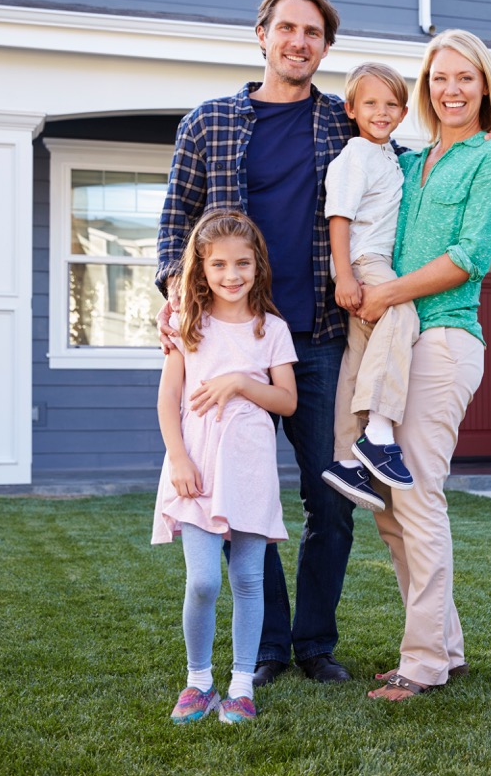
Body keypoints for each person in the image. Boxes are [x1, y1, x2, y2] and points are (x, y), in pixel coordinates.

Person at [155, 0, 360, 686]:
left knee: (329, 494)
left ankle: (314, 642)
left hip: (321, 335)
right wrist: (173, 297)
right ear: (262, 34)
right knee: (245, 494)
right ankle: (267, 644)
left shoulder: (343, 126)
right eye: (287, 29)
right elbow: (174, 225)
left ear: (325, 47)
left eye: (313, 33)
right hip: (231, 339)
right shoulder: (207, 123)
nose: (299, 42)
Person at [351, 30, 491, 701]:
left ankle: (420, 662)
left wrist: (384, 293)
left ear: (484, 86)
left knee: (416, 495)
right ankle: (444, 647)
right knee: (391, 507)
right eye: (440, 78)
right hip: (399, 340)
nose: (451, 89)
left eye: (464, 78)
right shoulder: (414, 158)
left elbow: (468, 256)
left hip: (444, 339)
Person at [152, 210, 298, 725]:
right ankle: (198, 682)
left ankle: (240, 686)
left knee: (248, 579)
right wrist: (178, 458)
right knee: (203, 583)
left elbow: (286, 401)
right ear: (201, 268)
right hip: (197, 469)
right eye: (218, 265)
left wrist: (238, 380)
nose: (231, 275)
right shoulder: (188, 326)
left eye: (242, 263)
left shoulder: (272, 329)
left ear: (257, 265)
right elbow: (168, 400)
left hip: (250, 469)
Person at [321, 62, 421, 510]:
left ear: (401, 112)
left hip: (367, 262)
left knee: (358, 357)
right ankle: (379, 432)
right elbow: (338, 217)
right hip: (365, 260)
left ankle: (345, 459)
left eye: (391, 105)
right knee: (402, 312)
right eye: (370, 104)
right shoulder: (355, 156)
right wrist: (345, 274)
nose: (381, 112)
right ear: (352, 109)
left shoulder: (390, 156)